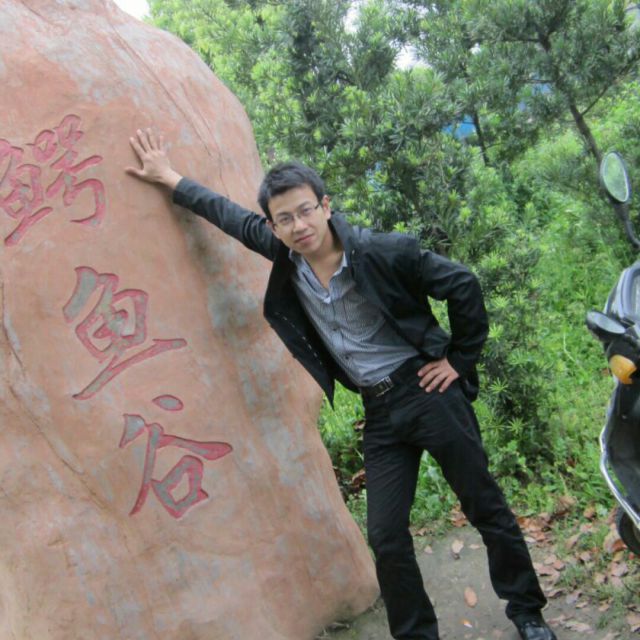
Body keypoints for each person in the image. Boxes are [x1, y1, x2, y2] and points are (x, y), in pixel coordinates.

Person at [125, 128, 557, 640]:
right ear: (274, 226)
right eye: (285, 218)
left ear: (325, 206)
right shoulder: (285, 255)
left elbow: (461, 284)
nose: (298, 225)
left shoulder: (382, 251)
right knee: (386, 536)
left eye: (305, 210)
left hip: (428, 393)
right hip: (379, 413)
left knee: (483, 505)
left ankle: (526, 611)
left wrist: (459, 360)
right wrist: (168, 176)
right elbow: (228, 214)